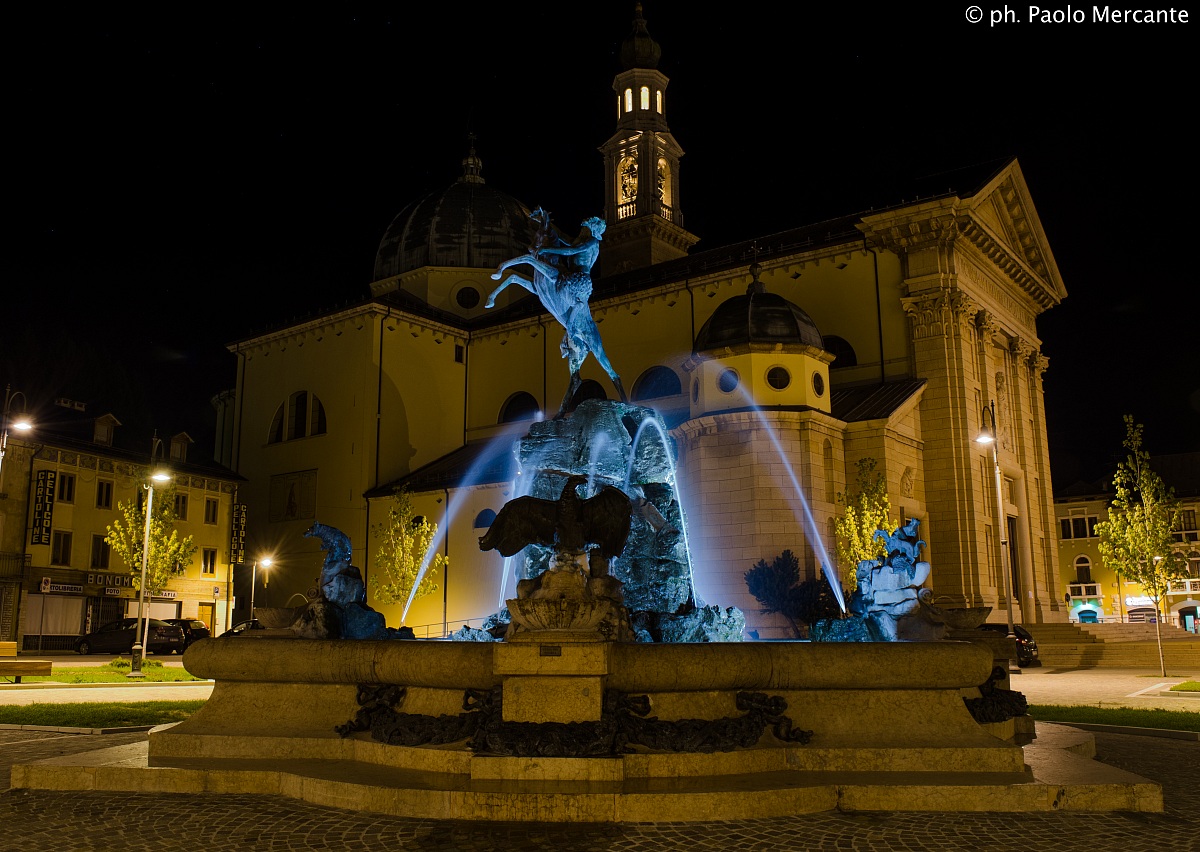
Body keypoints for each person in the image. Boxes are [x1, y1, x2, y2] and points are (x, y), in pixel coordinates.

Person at [486, 215, 626, 413]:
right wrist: (546, 222)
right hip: (570, 277)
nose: (588, 228)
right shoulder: (581, 238)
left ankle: (623, 394)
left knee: (603, 359)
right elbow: (564, 240)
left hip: (578, 281)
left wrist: (546, 250)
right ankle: (561, 413)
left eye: (592, 226)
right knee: (574, 375)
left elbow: (571, 250)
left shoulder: (592, 241)